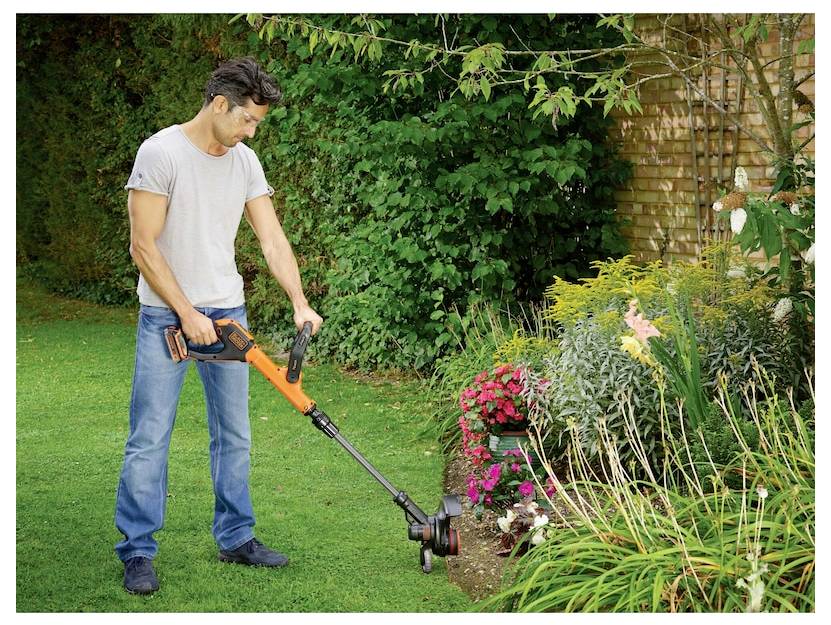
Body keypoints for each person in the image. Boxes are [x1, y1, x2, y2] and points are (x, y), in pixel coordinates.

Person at [115, 57, 323, 595]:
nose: (251, 131)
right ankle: (137, 550)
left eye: (257, 124)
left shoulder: (244, 161)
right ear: (219, 105)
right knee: (150, 436)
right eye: (247, 120)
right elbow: (143, 246)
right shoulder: (161, 153)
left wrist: (300, 301)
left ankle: (236, 537)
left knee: (234, 434)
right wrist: (186, 313)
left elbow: (272, 239)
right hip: (168, 316)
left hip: (229, 314)